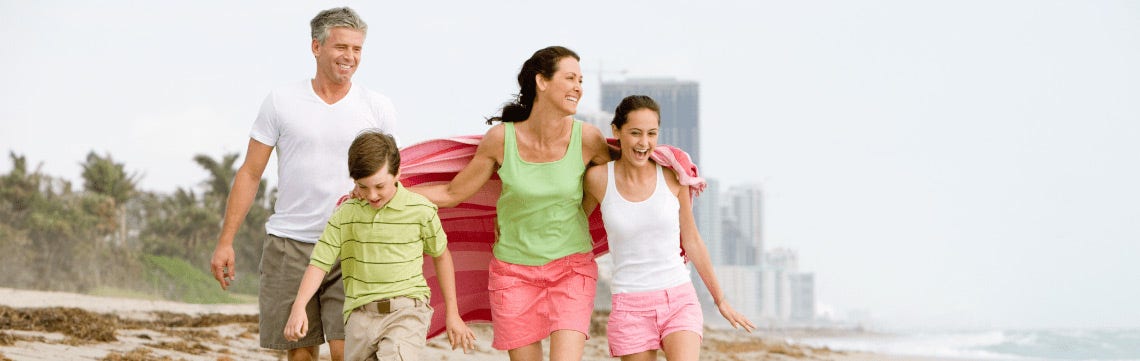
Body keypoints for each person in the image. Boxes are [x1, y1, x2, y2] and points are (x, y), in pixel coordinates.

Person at [209, 7, 398, 361]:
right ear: (316, 47)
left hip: (353, 245)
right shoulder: (281, 101)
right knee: (299, 353)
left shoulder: (377, 107)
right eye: (342, 47)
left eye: (357, 49)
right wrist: (226, 241)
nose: (350, 57)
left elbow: (393, 179)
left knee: (350, 351)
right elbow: (250, 172)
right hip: (290, 246)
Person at [411, 46, 612, 361]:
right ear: (541, 82)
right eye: (570, 78)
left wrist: (674, 167)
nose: (578, 87)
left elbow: (627, 173)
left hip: (572, 269)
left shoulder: (588, 139)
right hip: (513, 273)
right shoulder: (501, 140)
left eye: (581, 81)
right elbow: (452, 193)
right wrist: (391, 192)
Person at [583, 95, 756, 361]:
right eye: (635, 133)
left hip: (678, 297)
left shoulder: (673, 175)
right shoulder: (597, 179)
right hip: (629, 305)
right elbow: (573, 229)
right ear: (616, 131)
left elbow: (693, 241)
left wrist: (720, 300)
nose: (644, 143)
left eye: (652, 134)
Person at [283, 131, 476, 360]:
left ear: (397, 173)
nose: (372, 195)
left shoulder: (420, 210)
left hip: (407, 312)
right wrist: (299, 306)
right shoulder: (346, 214)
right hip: (359, 318)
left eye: (379, 186)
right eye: (363, 187)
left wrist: (452, 314)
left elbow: (441, 256)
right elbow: (320, 263)